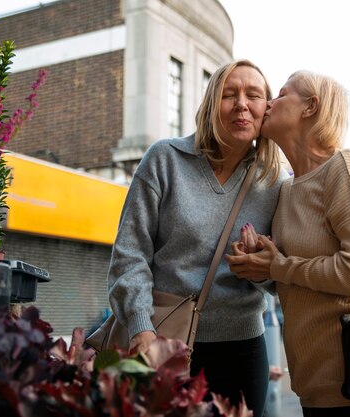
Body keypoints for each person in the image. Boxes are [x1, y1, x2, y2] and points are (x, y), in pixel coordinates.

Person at [107, 59, 287, 417]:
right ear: (210, 104)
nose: (241, 104)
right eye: (228, 94)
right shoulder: (164, 159)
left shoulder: (276, 183)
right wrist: (141, 327)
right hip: (163, 340)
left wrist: (260, 267)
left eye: (254, 95)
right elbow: (130, 252)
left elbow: (282, 278)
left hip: (244, 349)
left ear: (266, 110)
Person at [225, 70, 350, 417]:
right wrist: (260, 267)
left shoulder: (344, 168)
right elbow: (300, 284)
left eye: (281, 93)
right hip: (315, 384)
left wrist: (278, 266)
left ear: (310, 107)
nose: (269, 103)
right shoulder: (289, 189)